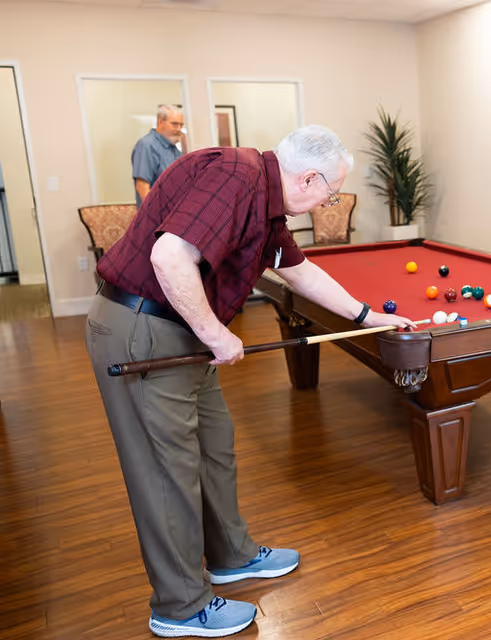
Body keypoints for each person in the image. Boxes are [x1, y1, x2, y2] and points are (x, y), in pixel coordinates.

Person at [85, 125, 416, 637]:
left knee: (215, 445)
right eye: (331, 192)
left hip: (178, 331)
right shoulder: (233, 177)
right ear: (308, 178)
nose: (329, 201)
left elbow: (300, 273)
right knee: (165, 471)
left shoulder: (265, 204)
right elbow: (169, 257)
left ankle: (231, 556)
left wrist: (368, 316)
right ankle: (179, 607)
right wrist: (216, 334)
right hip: (143, 330)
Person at [132, 105, 184, 208]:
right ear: (160, 122)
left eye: (181, 125)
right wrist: (155, 215)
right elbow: (142, 186)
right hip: (157, 218)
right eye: (174, 124)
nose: (178, 129)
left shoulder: (174, 149)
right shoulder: (147, 145)